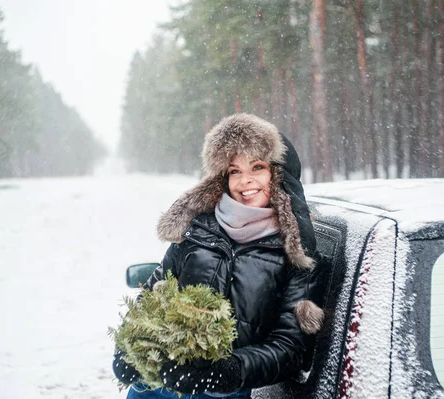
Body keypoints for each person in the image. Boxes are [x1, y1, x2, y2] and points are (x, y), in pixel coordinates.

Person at [113, 113, 324, 399]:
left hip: (225, 393)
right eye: (235, 171)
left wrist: (231, 370)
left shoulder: (296, 252)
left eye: (257, 167)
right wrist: (129, 349)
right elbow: (152, 296)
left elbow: (291, 346)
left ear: (277, 174)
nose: (245, 181)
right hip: (158, 387)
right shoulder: (199, 228)